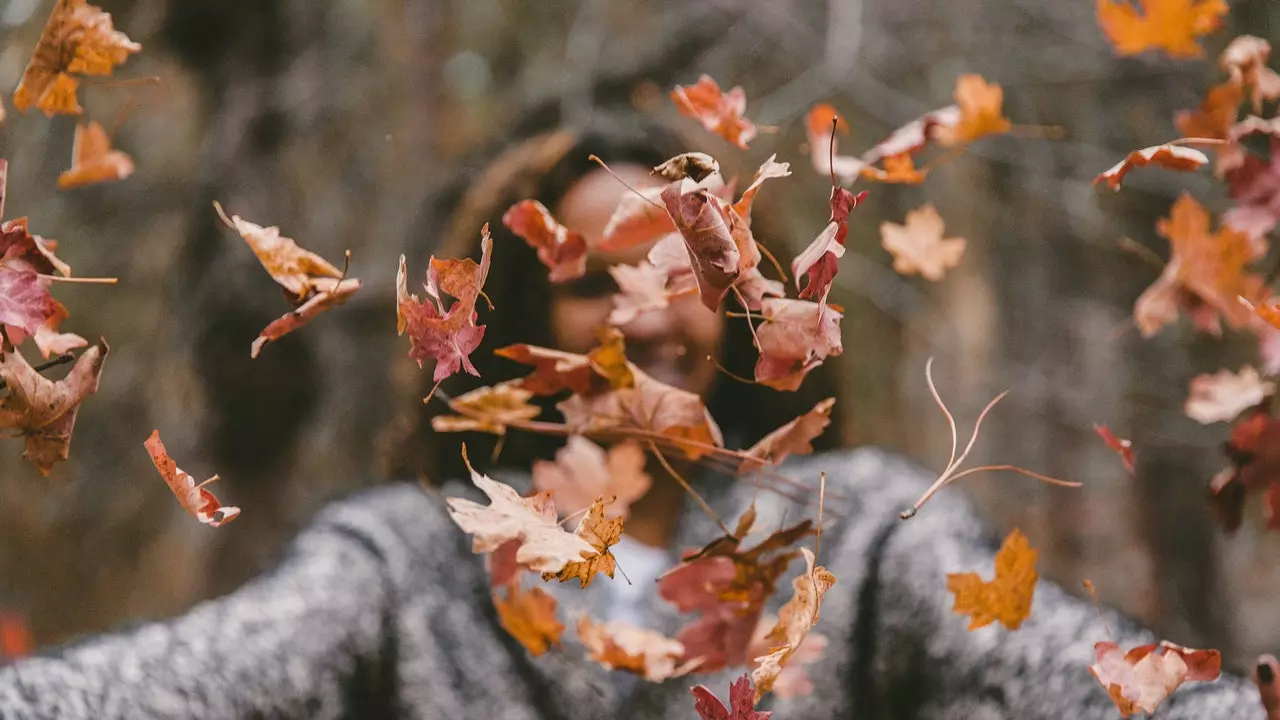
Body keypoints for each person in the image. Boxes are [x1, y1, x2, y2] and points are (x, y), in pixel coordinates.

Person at [0, 110, 1271, 720]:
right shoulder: (406, 564)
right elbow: (198, 677)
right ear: (500, 320)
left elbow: (1065, 674)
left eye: (679, 269)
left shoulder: (862, 535)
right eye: (592, 273)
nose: (642, 310)